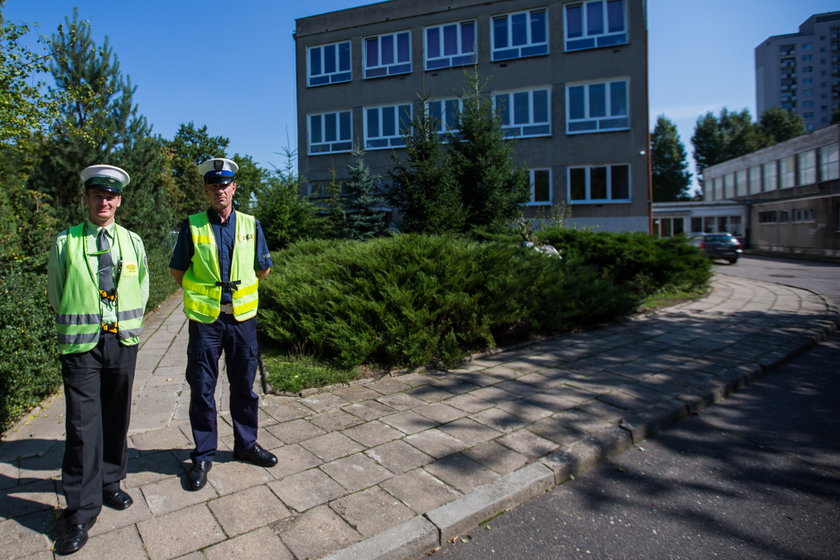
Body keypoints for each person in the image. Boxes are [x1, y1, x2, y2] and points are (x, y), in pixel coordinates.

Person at [47, 164, 148, 555]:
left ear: (119, 200)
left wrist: (127, 328)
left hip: (121, 342)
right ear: (86, 199)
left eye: (110, 196)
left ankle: (110, 482)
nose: (103, 201)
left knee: (116, 415)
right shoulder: (66, 243)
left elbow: (141, 285)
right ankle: (80, 509)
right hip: (80, 346)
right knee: (82, 426)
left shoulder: (132, 241)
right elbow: (57, 292)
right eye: (96, 196)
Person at [169, 157, 276, 492]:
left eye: (225, 184)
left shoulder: (249, 223)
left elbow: (263, 268)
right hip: (206, 321)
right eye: (213, 185)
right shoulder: (193, 225)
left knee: (244, 385)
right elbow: (177, 271)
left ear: (234, 188)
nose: (220, 190)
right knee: (202, 388)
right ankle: (203, 454)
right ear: (206, 189)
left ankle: (246, 444)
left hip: (242, 320)